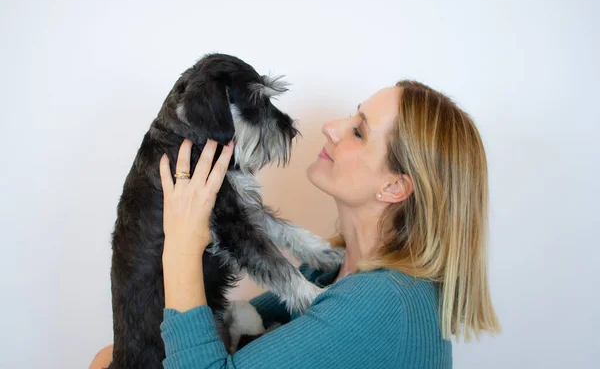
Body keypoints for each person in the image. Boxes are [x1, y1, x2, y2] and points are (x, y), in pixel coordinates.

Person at [90, 80, 501, 369]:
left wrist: (180, 247)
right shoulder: (329, 273)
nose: (330, 127)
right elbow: (202, 339)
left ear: (395, 186)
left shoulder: (384, 304)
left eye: (358, 131)